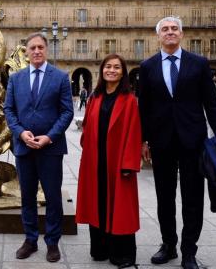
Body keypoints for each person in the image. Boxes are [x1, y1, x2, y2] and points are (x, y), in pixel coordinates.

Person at [139, 17, 216, 269]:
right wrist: (143, 139)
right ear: (158, 36)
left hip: (193, 140)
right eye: (164, 29)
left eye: (174, 28)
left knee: (193, 197)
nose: (170, 32)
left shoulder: (198, 63)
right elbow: (143, 106)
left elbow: (211, 101)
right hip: (161, 140)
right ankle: (168, 245)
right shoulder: (148, 66)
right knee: (164, 196)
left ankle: (189, 250)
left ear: (182, 34)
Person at [4, 33, 74, 263]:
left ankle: (52, 242)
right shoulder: (16, 79)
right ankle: (30, 240)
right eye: (32, 47)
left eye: (40, 47)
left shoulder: (61, 77)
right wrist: (21, 133)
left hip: (50, 149)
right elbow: (9, 111)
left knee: (53, 197)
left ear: (46, 49)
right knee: (27, 196)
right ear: (26, 52)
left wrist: (49, 137)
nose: (36, 51)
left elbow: (67, 112)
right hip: (23, 148)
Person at [76, 54, 141, 269]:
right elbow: (87, 124)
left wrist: (129, 164)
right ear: (102, 71)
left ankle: (122, 254)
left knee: (120, 207)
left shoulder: (129, 100)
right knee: (98, 203)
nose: (111, 70)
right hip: (96, 160)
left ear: (123, 72)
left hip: (118, 162)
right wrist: (87, 142)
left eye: (116, 67)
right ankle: (100, 249)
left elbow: (134, 133)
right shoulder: (95, 97)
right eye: (107, 67)